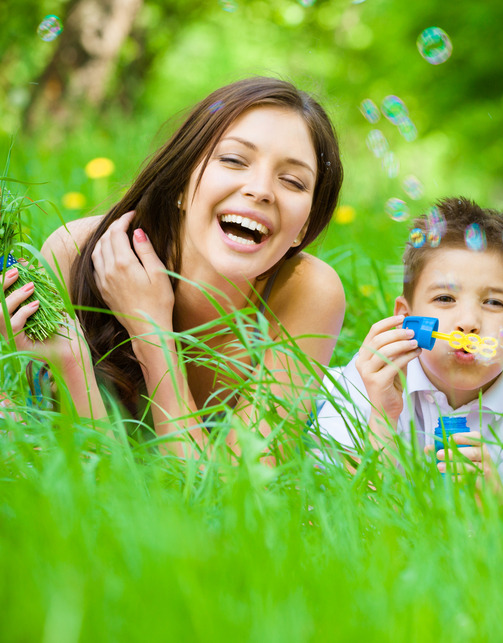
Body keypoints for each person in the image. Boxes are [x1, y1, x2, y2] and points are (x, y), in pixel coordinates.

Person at [2, 76, 345, 458]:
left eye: (293, 181)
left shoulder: (308, 292)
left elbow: (231, 496)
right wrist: (71, 364)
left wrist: (151, 332)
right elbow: (82, 480)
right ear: (181, 181)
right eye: (233, 160)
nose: (262, 189)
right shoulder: (76, 253)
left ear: (304, 227)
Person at [315, 198, 503, 502]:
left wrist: (495, 499)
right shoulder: (371, 378)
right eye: (445, 299)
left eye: (493, 302)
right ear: (407, 319)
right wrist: (383, 415)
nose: (467, 323)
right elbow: (342, 515)